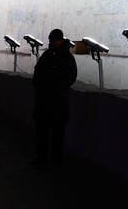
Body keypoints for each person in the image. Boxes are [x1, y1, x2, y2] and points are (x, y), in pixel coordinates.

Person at [31, 28, 76, 167]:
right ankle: (42, 156)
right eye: (51, 40)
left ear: (61, 41)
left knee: (57, 133)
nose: (52, 42)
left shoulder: (67, 58)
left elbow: (71, 77)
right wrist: (37, 84)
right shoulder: (47, 55)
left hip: (58, 103)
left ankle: (55, 157)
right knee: (42, 132)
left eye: (54, 40)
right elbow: (37, 72)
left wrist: (56, 87)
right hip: (45, 101)